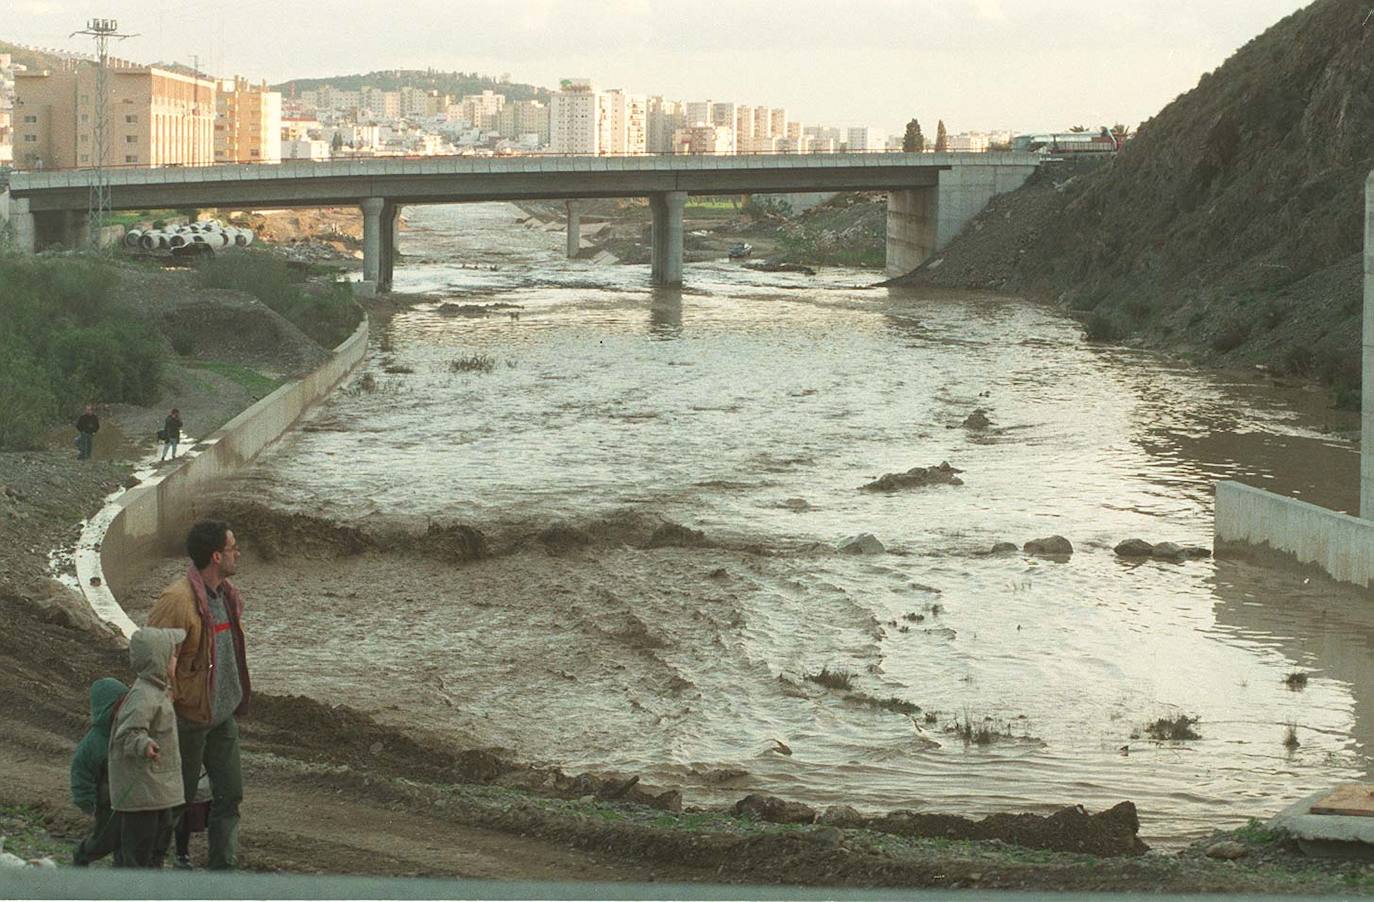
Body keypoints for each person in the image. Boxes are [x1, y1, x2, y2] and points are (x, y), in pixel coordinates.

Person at [147, 520, 251, 871]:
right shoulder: (176, 600)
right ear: (217, 555)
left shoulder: (226, 595)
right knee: (176, 801)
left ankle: (223, 875)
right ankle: (151, 869)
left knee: (230, 795)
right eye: (233, 547)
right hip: (189, 720)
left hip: (222, 717)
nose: (239, 553)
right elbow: (154, 661)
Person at [109, 627, 186, 868]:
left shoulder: (158, 691)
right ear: (159, 660)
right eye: (172, 655)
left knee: (155, 846)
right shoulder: (143, 695)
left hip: (157, 789)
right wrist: (145, 744)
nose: (176, 659)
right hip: (143, 790)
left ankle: (149, 887)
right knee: (139, 850)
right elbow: (128, 734)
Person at [69, 677, 129, 866]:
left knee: (127, 839)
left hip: (129, 797)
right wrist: (86, 801)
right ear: (108, 708)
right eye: (120, 705)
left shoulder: (128, 732)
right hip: (107, 802)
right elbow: (81, 774)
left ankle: (122, 871)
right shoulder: (93, 743)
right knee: (105, 839)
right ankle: (83, 853)